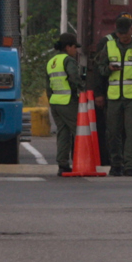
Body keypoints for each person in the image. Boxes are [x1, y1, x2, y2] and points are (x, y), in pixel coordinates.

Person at [92, 14, 132, 177]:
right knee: (113, 133)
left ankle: (129, 166)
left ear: (131, 30)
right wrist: (109, 70)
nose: (123, 37)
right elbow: (100, 68)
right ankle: (116, 165)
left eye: (126, 34)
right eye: (120, 35)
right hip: (113, 97)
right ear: (116, 33)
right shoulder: (109, 46)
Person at [47, 32, 81, 174]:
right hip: (67, 102)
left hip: (55, 103)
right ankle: (81, 162)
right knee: (79, 132)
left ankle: (63, 165)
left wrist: (51, 101)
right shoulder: (69, 60)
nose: (76, 50)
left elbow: (48, 86)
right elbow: (74, 78)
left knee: (63, 133)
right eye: (74, 47)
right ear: (68, 47)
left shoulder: (51, 61)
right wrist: (81, 90)